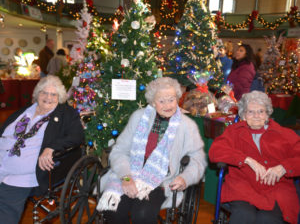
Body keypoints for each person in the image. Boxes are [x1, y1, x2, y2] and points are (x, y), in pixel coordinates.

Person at [97, 77, 206, 224]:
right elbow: (119, 151)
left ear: (178, 100)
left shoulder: (187, 125)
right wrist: (126, 177)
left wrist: (185, 178)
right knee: (112, 209)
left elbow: (197, 159)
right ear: (153, 103)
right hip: (130, 173)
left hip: (161, 180)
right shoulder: (138, 117)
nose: (168, 105)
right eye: (162, 101)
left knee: (142, 214)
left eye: (171, 99)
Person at [0, 75, 84, 223]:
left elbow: (77, 136)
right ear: (37, 94)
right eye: (44, 92)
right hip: (3, 163)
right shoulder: (26, 110)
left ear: (60, 97)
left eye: (53, 94)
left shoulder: (66, 113)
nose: (48, 97)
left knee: (5, 209)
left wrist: (51, 147)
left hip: (21, 174)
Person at [209, 91, 300, 224]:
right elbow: (215, 152)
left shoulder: (284, 134)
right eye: (251, 112)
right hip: (243, 187)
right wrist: (246, 159)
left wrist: (284, 167)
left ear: (268, 114)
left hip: (276, 188)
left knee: (267, 219)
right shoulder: (233, 132)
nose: (256, 116)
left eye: (261, 111)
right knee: (244, 216)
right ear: (244, 115)